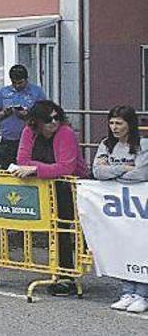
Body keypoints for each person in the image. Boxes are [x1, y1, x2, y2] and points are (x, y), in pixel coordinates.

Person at [9, 100, 87, 296]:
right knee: (51, 229)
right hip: (44, 187)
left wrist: (35, 169)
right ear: (36, 122)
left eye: (56, 117)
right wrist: (44, 169)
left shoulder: (65, 133)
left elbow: (66, 167)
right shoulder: (29, 132)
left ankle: (67, 276)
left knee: (64, 230)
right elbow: (22, 161)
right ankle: (56, 271)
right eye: (48, 119)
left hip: (69, 187)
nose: (54, 122)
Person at [91, 106, 147, 313]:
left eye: (119, 123)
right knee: (123, 245)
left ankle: (142, 293)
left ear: (129, 124)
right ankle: (127, 291)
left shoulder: (143, 145)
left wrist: (112, 172)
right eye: (112, 123)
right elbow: (97, 171)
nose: (114, 127)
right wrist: (123, 169)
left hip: (139, 206)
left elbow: (140, 174)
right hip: (117, 205)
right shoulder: (106, 145)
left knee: (141, 246)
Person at [0, 65, 46, 167]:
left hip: (30, 139)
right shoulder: (4, 92)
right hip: (8, 139)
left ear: (26, 79)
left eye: (20, 83)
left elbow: (45, 114)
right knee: (7, 169)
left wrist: (28, 115)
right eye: (14, 83)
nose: (17, 86)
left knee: (27, 168)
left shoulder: (36, 92)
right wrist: (4, 113)